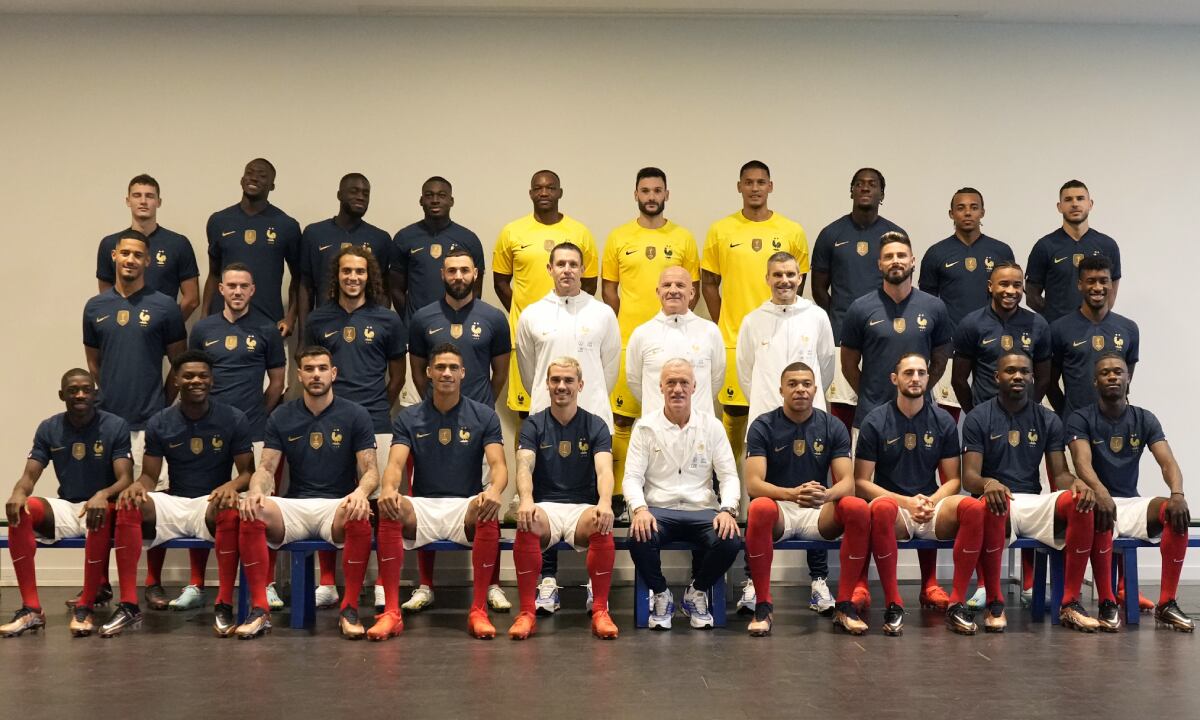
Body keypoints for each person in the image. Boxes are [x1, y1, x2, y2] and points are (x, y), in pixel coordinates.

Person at [101, 351, 254, 637]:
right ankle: (128, 604)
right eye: (188, 375)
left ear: (212, 379)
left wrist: (230, 486)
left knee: (230, 509)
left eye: (202, 375)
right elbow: (149, 476)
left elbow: (247, 473)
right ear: (176, 379)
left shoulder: (233, 418)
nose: (196, 380)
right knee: (129, 506)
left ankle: (223, 603)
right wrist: (136, 487)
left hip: (210, 502)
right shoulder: (160, 421)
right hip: (174, 500)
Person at [234, 347, 379, 640]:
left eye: (322, 368)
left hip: (337, 505)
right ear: (299, 375)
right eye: (309, 369)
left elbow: (371, 471)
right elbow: (266, 467)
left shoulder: (355, 414)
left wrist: (361, 492)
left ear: (333, 373)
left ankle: (349, 608)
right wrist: (255, 491)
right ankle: (260, 610)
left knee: (359, 513)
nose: (316, 374)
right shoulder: (282, 416)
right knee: (251, 512)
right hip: (294, 506)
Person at [374, 343, 508, 640]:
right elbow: (395, 464)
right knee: (390, 508)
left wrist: (495, 490)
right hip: (423, 505)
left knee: (487, 507)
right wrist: (387, 489)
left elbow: (498, 466)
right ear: (428, 372)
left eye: (452, 368)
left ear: (463, 373)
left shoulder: (484, 415)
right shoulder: (409, 418)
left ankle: (478, 610)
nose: (446, 373)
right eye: (440, 368)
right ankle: (392, 613)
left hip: (466, 506)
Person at [961, 350, 1101, 633]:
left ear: (1033, 378)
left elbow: (1060, 474)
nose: (1018, 376)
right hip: (995, 498)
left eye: (1024, 371)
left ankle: (1070, 603)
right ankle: (994, 602)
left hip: (1033, 501)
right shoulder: (978, 417)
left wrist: (1078, 484)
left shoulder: (1048, 419)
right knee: (993, 504)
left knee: (1080, 504)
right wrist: (989, 484)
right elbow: (969, 477)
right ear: (996, 377)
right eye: (1010, 370)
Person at [404, 248, 511, 614]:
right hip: (432, 424)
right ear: (442, 274)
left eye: (465, 270)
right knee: (424, 496)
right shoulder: (422, 318)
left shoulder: (494, 318)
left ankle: (493, 584)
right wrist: (435, 407)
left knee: (489, 501)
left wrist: (479, 410)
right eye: (452, 270)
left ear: (476, 273)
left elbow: (501, 372)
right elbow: (419, 370)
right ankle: (425, 584)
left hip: (477, 427)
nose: (458, 276)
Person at [854, 353, 985, 636]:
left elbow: (953, 481)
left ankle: (957, 602)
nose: (915, 378)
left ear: (929, 378)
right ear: (894, 378)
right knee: (879, 509)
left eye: (921, 373)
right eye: (908, 373)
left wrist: (931, 500)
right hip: (893, 506)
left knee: (973, 508)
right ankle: (894, 602)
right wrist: (906, 502)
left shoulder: (943, 421)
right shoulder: (875, 421)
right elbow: (861, 482)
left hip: (931, 505)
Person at [305, 246, 406, 609]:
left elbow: (397, 376)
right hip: (327, 422)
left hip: (376, 419)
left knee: (378, 502)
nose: (353, 278)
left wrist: (374, 409)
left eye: (360, 272)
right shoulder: (318, 319)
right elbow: (310, 367)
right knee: (333, 497)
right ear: (337, 277)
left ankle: (380, 582)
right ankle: (329, 582)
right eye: (346, 271)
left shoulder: (387, 320)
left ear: (369, 276)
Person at [736, 251, 836, 612]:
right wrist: (770, 409)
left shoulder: (817, 317)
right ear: (767, 278)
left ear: (800, 277)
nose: (784, 281)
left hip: (813, 424)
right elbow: (747, 372)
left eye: (791, 274)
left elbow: (825, 365)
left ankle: (819, 582)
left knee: (817, 495)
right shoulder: (752, 321)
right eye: (777, 275)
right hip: (765, 421)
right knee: (759, 501)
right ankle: (752, 581)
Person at [1, 370, 132, 637]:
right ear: (62, 395)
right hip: (68, 506)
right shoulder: (49, 427)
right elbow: (29, 476)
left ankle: (85, 607)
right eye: (73, 390)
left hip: (103, 507)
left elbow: (126, 479)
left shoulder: (115, 425)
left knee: (100, 512)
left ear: (95, 394)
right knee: (22, 511)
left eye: (86, 389)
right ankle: (31, 609)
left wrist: (104, 494)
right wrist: (17, 493)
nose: (80, 394)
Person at [1067, 354, 1193, 632]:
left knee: (1174, 511)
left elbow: (1167, 462)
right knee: (1097, 508)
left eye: (1118, 372)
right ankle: (1107, 602)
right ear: (1095, 381)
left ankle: (1167, 603)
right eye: (1105, 373)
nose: (1112, 376)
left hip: (1131, 502)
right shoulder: (1080, 417)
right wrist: (1100, 492)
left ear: (1128, 378)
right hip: (1098, 503)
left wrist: (1178, 493)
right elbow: (1081, 463)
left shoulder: (1144, 418)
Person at [743, 362, 869, 636]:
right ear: (781, 390)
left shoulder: (832, 425)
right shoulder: (763, 425)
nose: (800, 389)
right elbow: (753, 484)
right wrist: (791, 494)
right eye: (792, 384)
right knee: (760, 507)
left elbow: (847, 482)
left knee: (857, 507)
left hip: (818, 509)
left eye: (806, 384)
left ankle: (845, 605)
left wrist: (826, 494)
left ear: (815, 388)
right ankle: (763, 605)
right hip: (780, 509)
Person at [601, 167, 700, 513]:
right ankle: (622, 497)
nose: (651, 196)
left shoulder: (684, 238)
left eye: (658, 190)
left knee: (678, 417)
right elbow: (609, 289)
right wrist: (624, 325)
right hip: (631, 340)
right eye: (645, 190)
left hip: (674, 343)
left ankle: (678, 492)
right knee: (625, 421)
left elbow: (694, 288)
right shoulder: (618, 237)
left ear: (667, 195)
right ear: (636, 194)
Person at [701, 160, 809, 461]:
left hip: (781, 337)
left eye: (761, 182)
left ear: (770, 187)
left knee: (783, 409)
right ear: (739, 187)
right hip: (734, 337)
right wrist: (724, 319)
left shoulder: (792, 230)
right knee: (735, 412)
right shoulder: (720, 230)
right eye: (748, 182)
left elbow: (798, 281)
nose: (755, 188)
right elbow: (709, 282)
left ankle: (777, 480)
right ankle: (730, 480)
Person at [624, 359, 742, 630]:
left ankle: (696, 592)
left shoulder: (711, 426)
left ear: (694, 387)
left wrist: (728, 510)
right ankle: (661, 593)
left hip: (702, 510)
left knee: (730, 539)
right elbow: (631, 477)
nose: (677, 389)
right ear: (661, 387)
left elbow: (728, 476)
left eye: (684, 383)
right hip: (658, 510)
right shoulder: (645, 427)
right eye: (671, 383)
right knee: (638, 536)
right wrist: (640, 509)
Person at [511, 357, 619, 640]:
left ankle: (600, 611)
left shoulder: (595, 425)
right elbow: (524, 466)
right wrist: (526, 499)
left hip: (582, 508)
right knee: (527, 520)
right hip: (545, 507)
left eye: (568, 380)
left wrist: (605, 502)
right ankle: (526, 614)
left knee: (602, 521)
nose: (562, 386)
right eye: (555, 380)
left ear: (580, 385)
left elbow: (605, 469)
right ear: (547, 384)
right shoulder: (533, 424)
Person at [84, 230, 188, 479]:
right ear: (114, 256)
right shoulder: (94, 307)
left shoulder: (165, 306)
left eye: (138, 255)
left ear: (147, 261)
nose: (130, 260)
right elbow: (93, 362)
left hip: (149, 422)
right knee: (108, 496)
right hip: (106, 420)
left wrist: (162, 404)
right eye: (125, 253)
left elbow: (179, 364)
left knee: (148, 500)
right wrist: (110, 394)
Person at [494, 170, 598, 415]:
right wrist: (529, 314)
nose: (544, 192)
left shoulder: (580, 232)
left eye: (550, 188)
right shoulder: (512, 231)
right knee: (527, 410)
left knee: (572, 405)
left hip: (571, 334)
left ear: (560, 192)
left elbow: (590, 284)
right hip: (527, 336)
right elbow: (500, 282)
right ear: (530, 193)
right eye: (538, 188)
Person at [811, 168, 906, 429]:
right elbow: (819, 288)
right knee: (843, 411)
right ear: (851, 190)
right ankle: (846, 468)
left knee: (885, 409)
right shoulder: (831, 234)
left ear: (882, 193)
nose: (865, 188)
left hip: (886, 337)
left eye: (872, 184)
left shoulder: (895, 236)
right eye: (859, 184)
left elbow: (902, 285)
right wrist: (846, 317)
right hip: (843, 336)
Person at [841, 232, 952, 430]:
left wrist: (919, 391)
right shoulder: (860, 308)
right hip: (871, 417)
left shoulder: (935, 307)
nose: (895, 261)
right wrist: (870, 397)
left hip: (919, 415)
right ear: (879, 264)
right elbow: (848, 365)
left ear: (912, 261)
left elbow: (940, 360)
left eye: (901, 255)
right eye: (888, 256)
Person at [918, 187, 1015, 411]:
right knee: (948, 413)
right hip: (951, 348)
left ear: (983, 212)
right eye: (961, 208)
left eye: (974, 207)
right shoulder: (936, 253)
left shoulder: (1001, 251)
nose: (968, 213)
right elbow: (929, 306)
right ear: (951, 214)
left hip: (992, 347)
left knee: (994, 410)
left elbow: (1010, 298)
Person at [516, 242, 620, 429]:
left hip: (593, 417)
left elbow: (609, 372)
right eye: (560, 264)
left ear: (582, 269)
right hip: (545, 418)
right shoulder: (531, 314)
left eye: (573, 265)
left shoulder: (603, 313)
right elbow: (529, 375)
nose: (567, 270)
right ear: (550, 269)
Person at [189, 263, 287, 453]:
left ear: (252, 290)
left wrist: (259, 413)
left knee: (251, 483)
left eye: (243, 286)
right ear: (221, 289)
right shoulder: (202, 329)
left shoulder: (268, 330)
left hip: (253, 430)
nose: (237, 291)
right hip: (209, 426)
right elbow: (192, 377)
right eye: (232, 286)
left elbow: (277, 383)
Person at [202, 158, 302, 337]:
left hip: (268, 325)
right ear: (242, 180)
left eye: (262, 176)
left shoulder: (287, 225)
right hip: (222, 324)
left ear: (272, 186)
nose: (254, 178)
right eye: (250, 173)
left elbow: (299, 278)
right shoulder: (219, 221)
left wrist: (290, 318)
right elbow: (214, 274)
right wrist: (204, 316)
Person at [96, 173, 200, 320]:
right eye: (137, 195)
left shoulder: (178, 244)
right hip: (122, 329)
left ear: (159, 202)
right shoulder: (110, 244)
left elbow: (192, 299)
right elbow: (105, 298)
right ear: (128, 201)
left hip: (162, 339)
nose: (143, 201)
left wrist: (169, 328)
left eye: (149, 196)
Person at [951, 261, 1051, 413]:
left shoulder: (1038, 324)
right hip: (984, 415)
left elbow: (1043, 379)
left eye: (1017, 285)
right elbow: (958, 380)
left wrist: (1030, 409)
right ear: (990, 286)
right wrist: (973, 413)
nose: (1011, 291)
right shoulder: (971, 323)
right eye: (1004, 284)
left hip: (1025, 416)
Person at [626, 266, 724, 418]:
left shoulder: (710, 331)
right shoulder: (642, 334)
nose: (673, 290)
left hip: (700, 430)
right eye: (666, 285)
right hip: (656, 430)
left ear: (691, 293)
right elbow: (634, 381)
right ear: (658, 292)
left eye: (680, 285)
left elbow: (716, 380)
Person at [298, 173, 392, 331]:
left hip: (366, 330)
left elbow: (384, 290)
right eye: (354, 191)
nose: (361, 197)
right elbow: (305, 286)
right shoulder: (314, 233)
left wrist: (380, 327)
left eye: (365, 194)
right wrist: (303, 338)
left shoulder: (380, 238)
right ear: (339, 195)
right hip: (324, 326)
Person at [1049, 255, 1138, 419]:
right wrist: (1067, 415)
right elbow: (1050, 383)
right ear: (1080, 285)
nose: (1097, 287)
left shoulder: (1129, 328)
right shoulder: (1059, 329)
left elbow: (1127, 380)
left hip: (1116, 424)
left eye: (1103, 281)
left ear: (1111, 283)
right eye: (1091, 281)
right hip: (1075, 426)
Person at [390, 176, 486, 321]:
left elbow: (476, 289)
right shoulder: (404, 238)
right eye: (429, 195)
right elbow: (395, 289)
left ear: (451, 201)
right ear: (421, 201)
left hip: (456, 323)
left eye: (442, 195)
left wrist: (463, 318)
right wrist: (413, 320)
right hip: (416, 327)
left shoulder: (469, 239)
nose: (435, 200)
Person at [1026, 180, 1122, 323]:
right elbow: (1031, 297)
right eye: (1068, 199)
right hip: (1056, 334)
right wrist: (1058, 319)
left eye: (1080, 198)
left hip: (1094, 331)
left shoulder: (1108, 245)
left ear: (1090, 204)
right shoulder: (1044, 246)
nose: (1075, 204)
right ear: (1059, 207)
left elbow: (1111, 294)